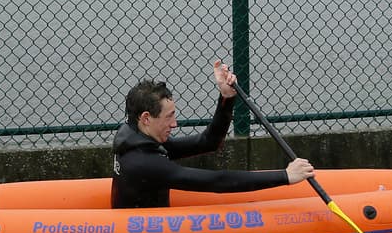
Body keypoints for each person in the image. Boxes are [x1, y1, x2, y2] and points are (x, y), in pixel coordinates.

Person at [111, 60, 315, 209]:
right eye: (169, 117)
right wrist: (286, 176)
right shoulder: (145, 162)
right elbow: (217, 181)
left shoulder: (134, 137)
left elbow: (209, 142)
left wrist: (226, 98)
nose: (175, 124)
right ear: (146, 118)